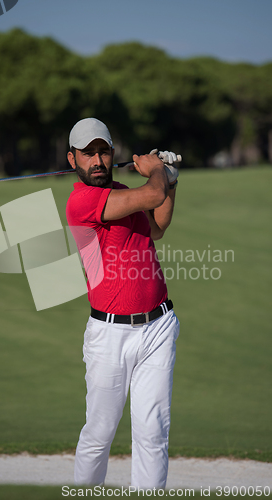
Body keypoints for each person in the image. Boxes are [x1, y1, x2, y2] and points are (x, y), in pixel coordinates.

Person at [66, 117, 180, 489]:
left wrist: (170, 182)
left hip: (158, 327)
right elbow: (152, 196)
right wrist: (158, 173)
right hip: (109, 334)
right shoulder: (81, 201)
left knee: (152, 431)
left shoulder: (123, 193)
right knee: (99, 434)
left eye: (103, 152)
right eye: (88, 154)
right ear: (73, 160)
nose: (97, 161)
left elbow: (158, 224)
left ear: (112, 153)